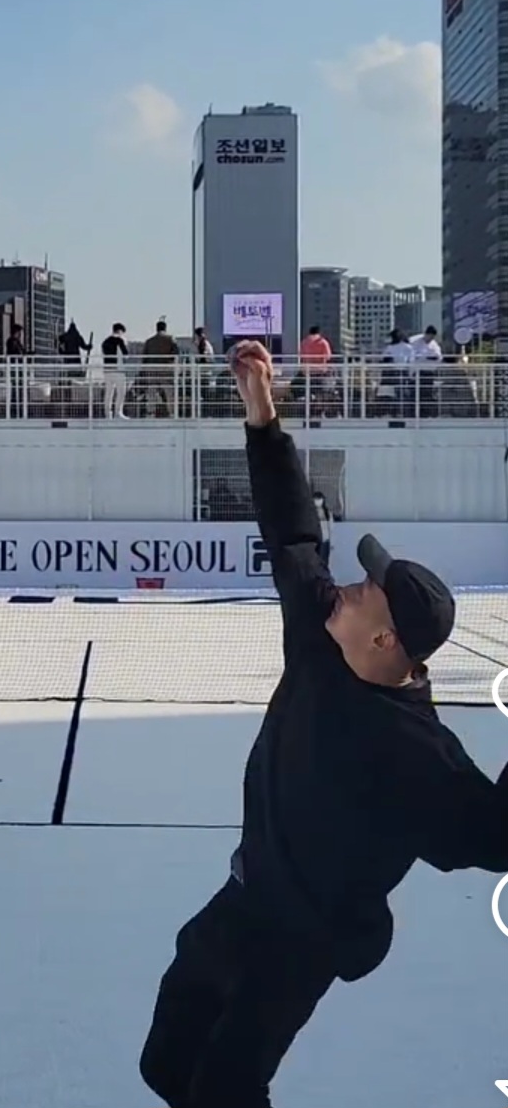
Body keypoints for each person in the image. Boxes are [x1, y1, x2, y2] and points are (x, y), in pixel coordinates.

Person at [139, 338, 508, 1108]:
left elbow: (495, 832)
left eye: (366, 588)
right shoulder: (321, 630)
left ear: (383, 639)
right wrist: (262, 415)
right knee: (165, 1066)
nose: (347, 582)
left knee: (223, 1091)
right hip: (241, 902)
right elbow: (293, 535)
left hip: (300, 942)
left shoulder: (411, 754)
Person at [101, 322, 129, 419]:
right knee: (121, 392)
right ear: (120, 331)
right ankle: (118, 412)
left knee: (109, 393)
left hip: (107, 370)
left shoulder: (105, 342)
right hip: (118, 370)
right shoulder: (120, 340)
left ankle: (107, 413)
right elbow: (126, 354)